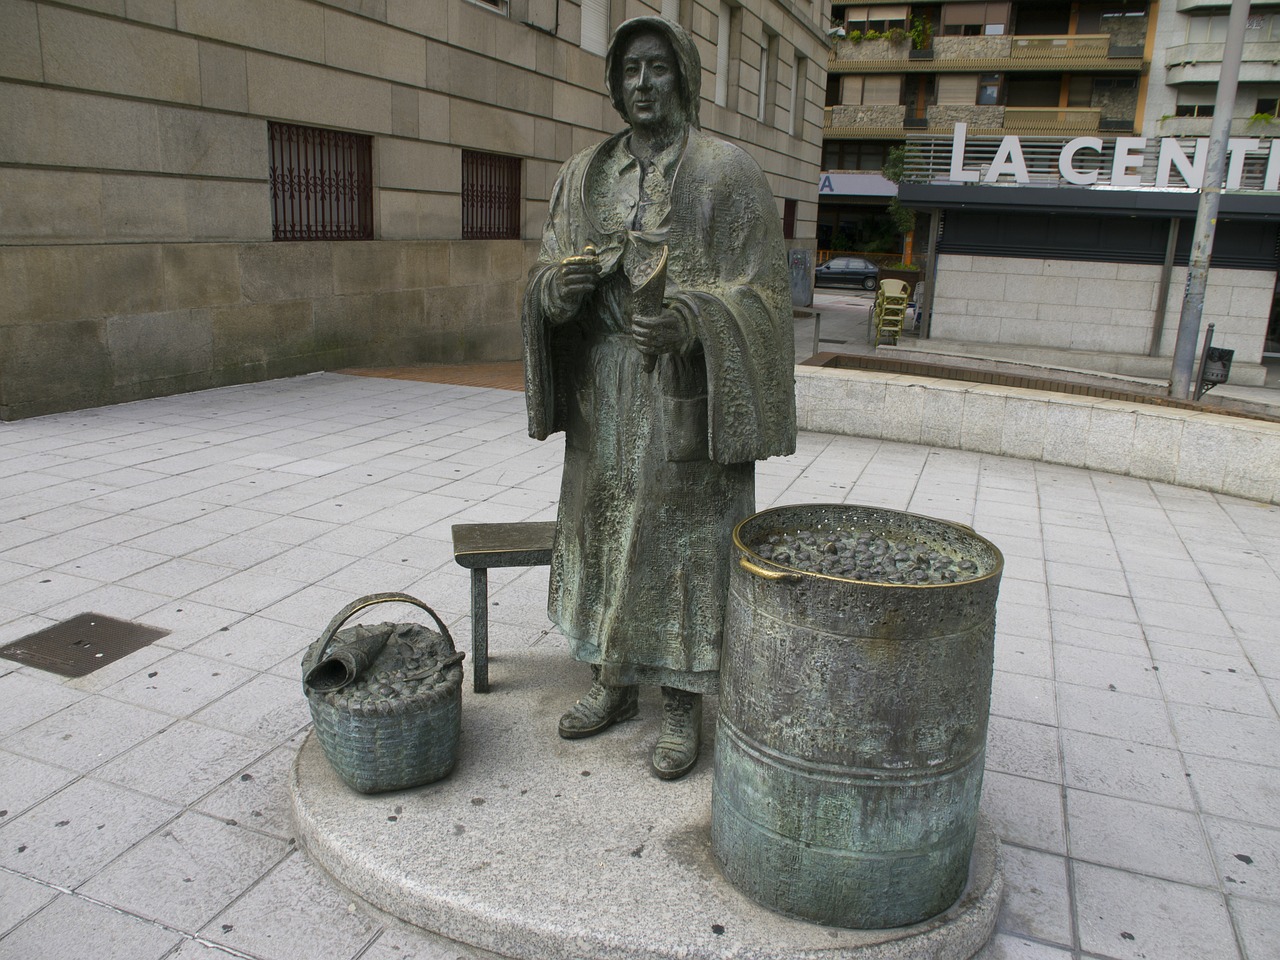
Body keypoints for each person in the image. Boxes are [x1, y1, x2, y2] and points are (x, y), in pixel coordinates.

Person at [521, 16, 795, 780]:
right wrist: (555, 290)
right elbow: (543, 270)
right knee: (604, 533)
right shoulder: (583, 174)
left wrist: (694, 320)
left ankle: (682, 702)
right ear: (615, 86)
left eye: (657, 69)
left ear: (685, 78)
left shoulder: (726, 173)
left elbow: (766, 297)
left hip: (686, 391)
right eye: (630, 71)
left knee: (684, 547)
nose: (642, 84)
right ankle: (610, 678)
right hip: (603, 391)